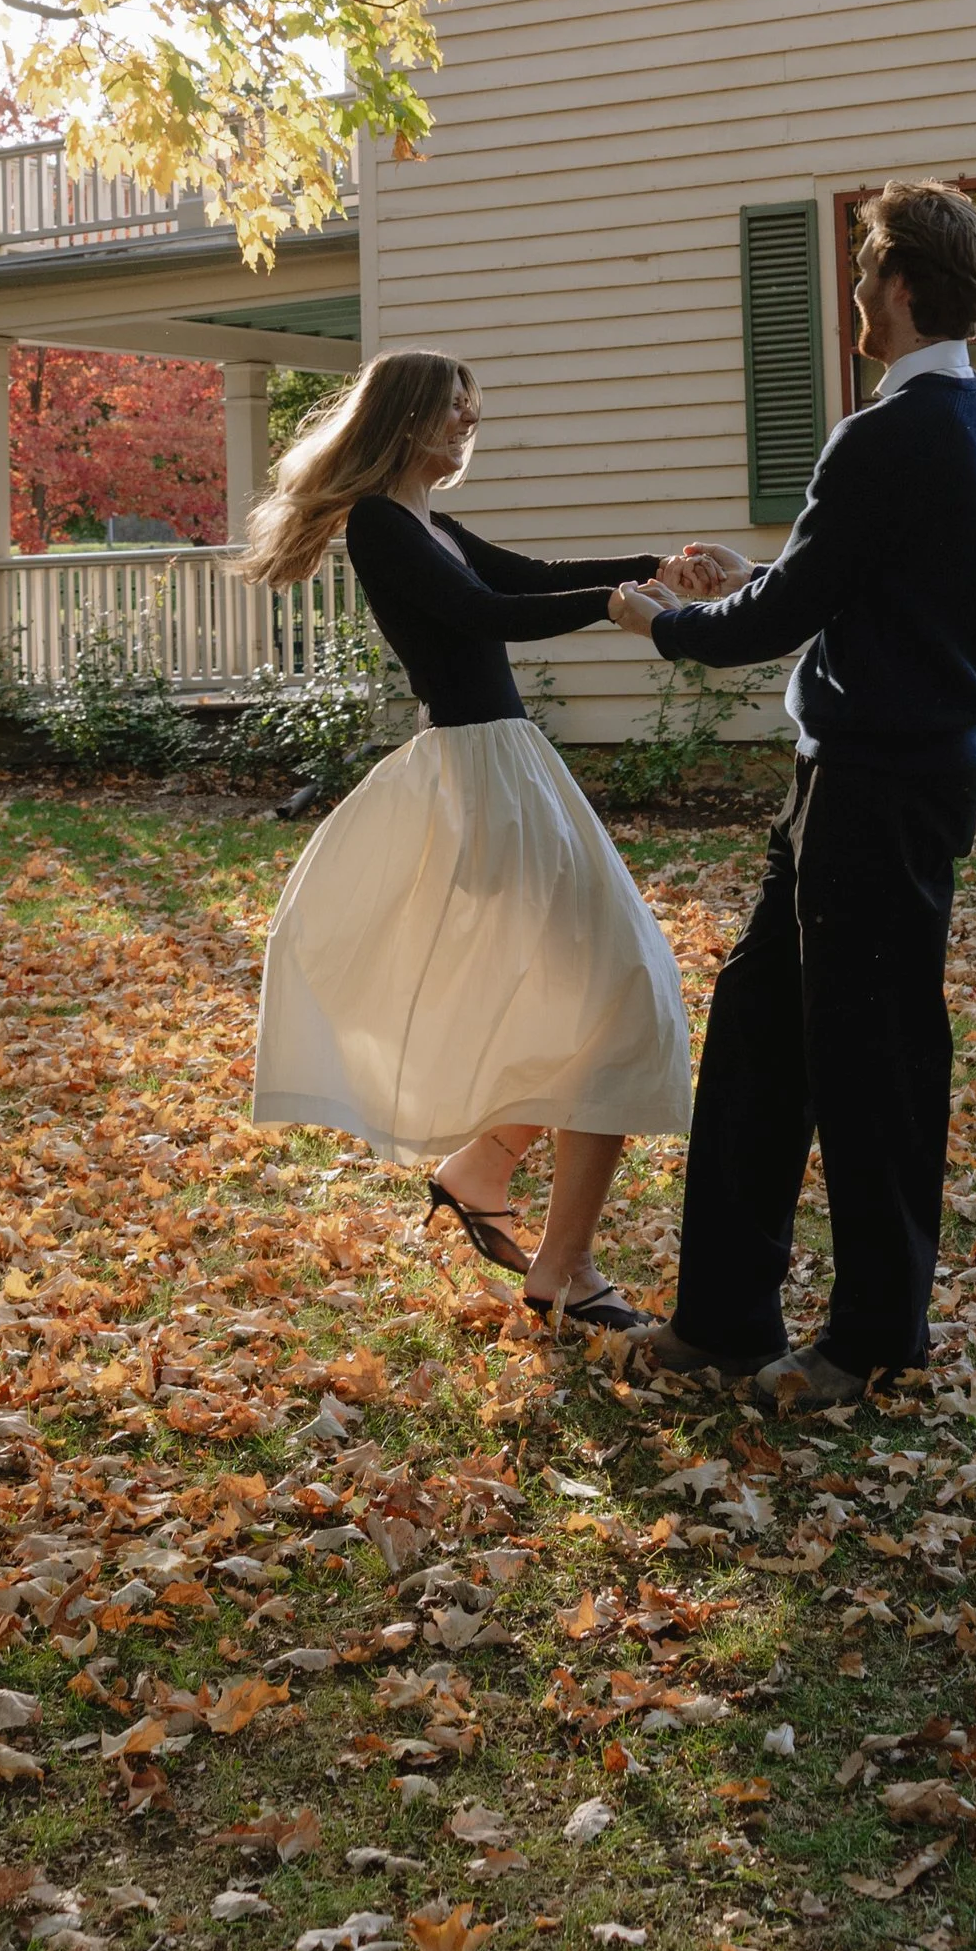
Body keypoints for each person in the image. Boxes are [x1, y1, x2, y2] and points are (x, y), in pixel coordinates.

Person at [608, 180, 976, 1407]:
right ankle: (724, 1317)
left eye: (862, 272)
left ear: (899, 288)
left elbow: (783, 620)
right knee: (755, 1045)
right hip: (848, 786)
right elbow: (862, 587)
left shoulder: (892, 431)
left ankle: (871, 1339)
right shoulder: (975, 421)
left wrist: (669, 619)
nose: (851, 292)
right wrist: (760, 576)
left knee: (874, 1066)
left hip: (878, 792)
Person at [245, 349, 710, 1334]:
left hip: (510, 771)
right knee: (624, 993)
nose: (468, 424)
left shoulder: (429, 522)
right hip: (479, 780)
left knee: (616, 997)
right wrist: (611, 608)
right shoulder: (379, 524)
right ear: (406, 415)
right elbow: (484, 614)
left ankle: (495, 1182)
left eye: (473, 411)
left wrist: (651, 571)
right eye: (453, 409)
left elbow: (525, 577)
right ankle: (556, 1260)